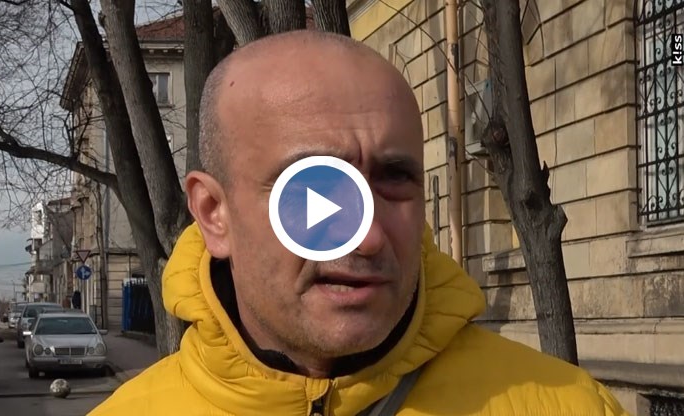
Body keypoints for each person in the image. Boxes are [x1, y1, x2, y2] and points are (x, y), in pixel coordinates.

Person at [89, 31, 627, 415]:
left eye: (394, 179)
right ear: (213, 213)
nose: (368, 236)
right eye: (315, 187)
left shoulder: (570, 406)